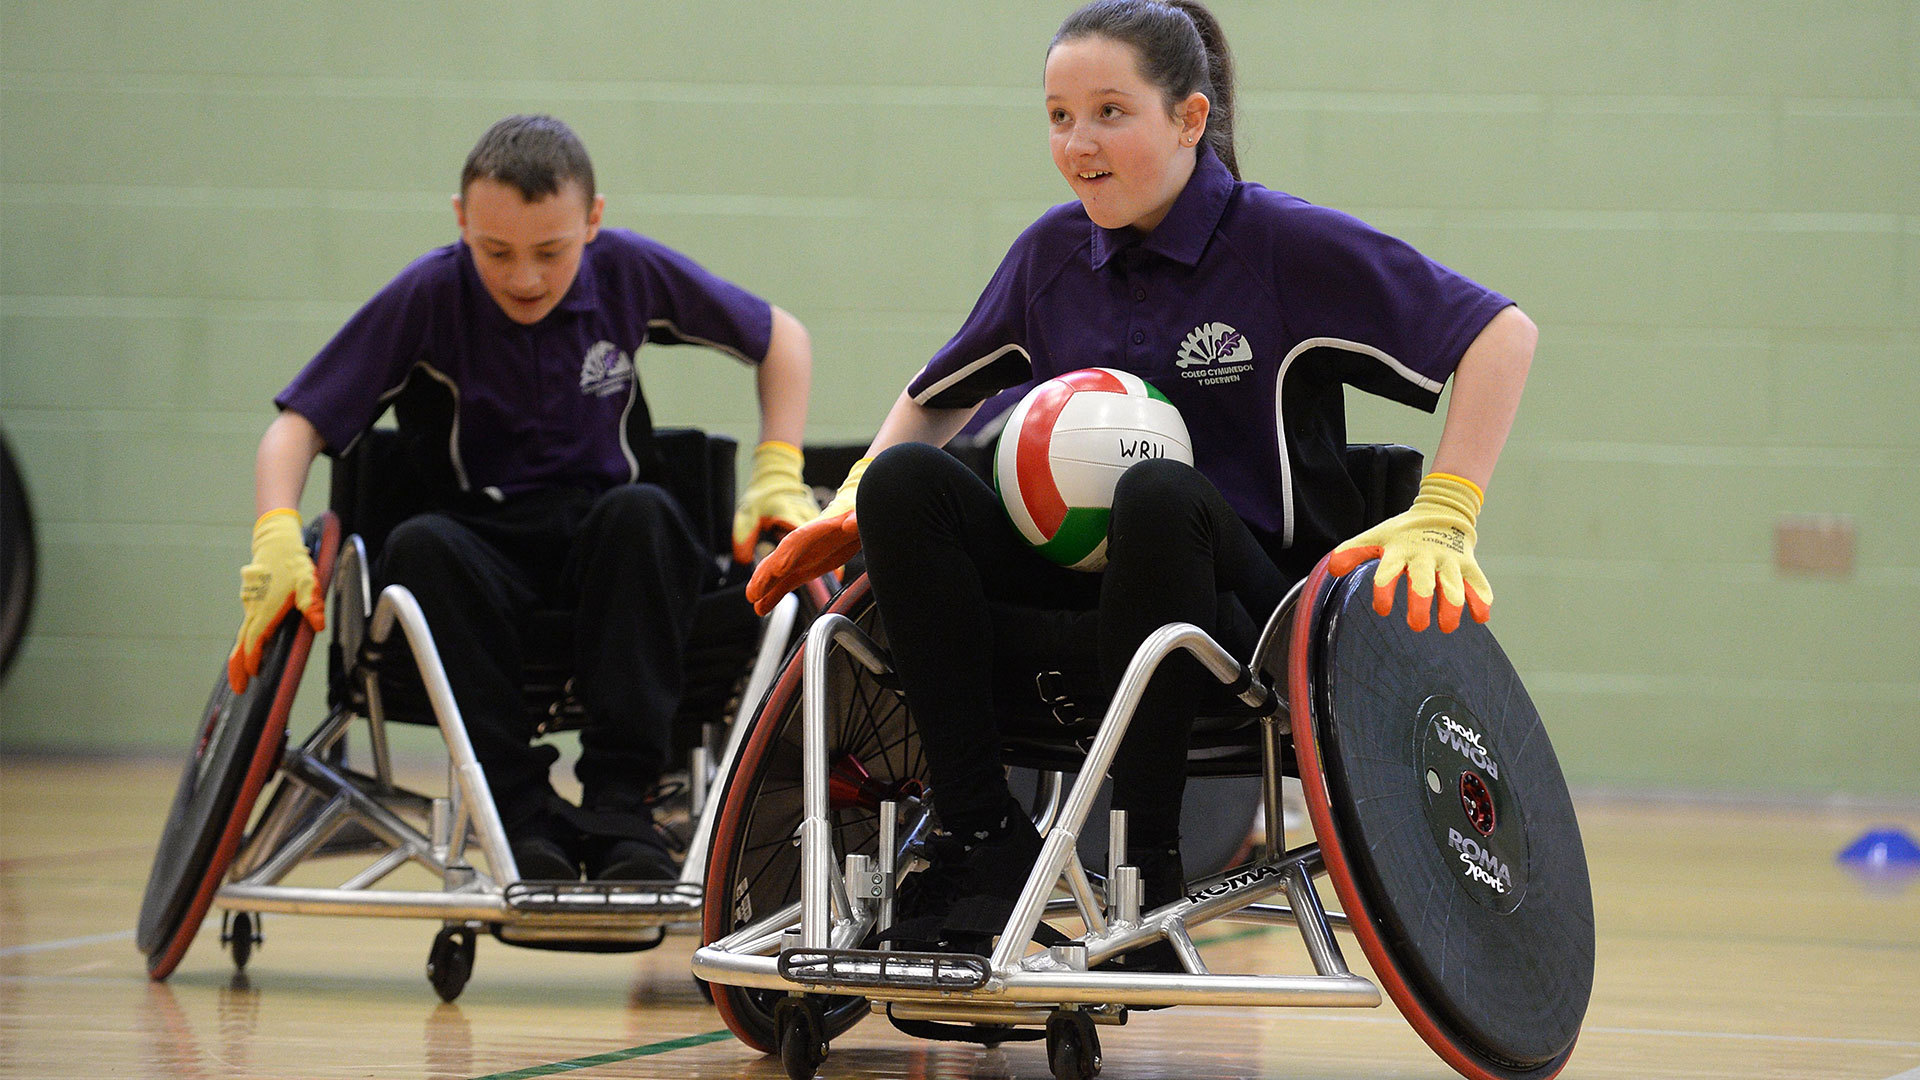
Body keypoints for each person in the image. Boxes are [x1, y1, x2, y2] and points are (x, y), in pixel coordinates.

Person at [746, 0, 1535, 955]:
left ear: (1191, 119)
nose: (1079, 141)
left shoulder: (1282, 245)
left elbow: (1500, 333)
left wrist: (1447, 510)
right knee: (910, 481)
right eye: (1058, 115)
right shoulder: (1050, 253)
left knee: (1156, 493)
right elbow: (933, 394)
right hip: (1076, 589)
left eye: (1110, 112)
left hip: (1238, 611)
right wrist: (856, 498)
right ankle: (982, 840)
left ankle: (1147, 856)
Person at [226, 115, 820, 883]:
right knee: (418, 546)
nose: (525, 278)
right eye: (496, 252)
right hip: (482, 547)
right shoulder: (430, 293)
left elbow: (783, 339)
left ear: (593, 222)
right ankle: (520, 807)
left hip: (602, 544)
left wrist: (778, 468)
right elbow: (297, 427)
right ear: (461, 220)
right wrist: (275, 532)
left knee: (649, 515)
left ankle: (618, 801)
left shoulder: (628, 272)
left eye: (551, 252)